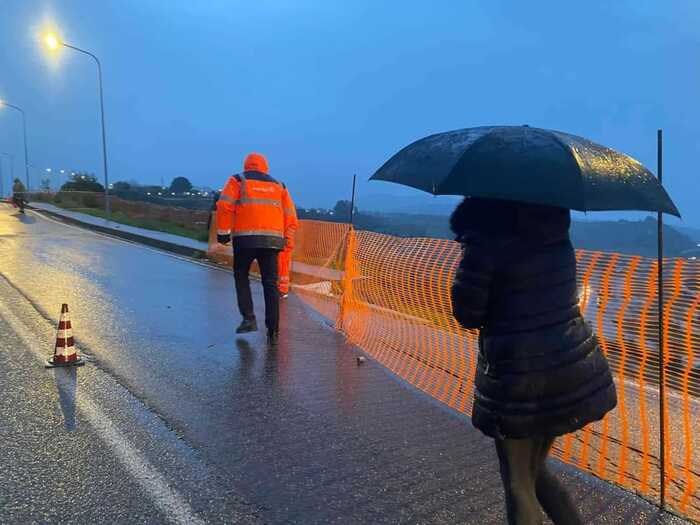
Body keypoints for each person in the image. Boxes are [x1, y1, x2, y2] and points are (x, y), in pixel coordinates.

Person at [449, 197, 616, 525]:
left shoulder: (484, 240)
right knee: (535, 471)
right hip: (570, 365)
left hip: (519, 377)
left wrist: (467, 264)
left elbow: (467, 313)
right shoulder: (554, 230)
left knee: (517, 483)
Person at [216, 153, 297, 345]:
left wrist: (223, 233)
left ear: (246, 166)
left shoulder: (238, 179)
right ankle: (273, 329)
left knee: (241, 275)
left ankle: (249, 319)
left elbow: (224, 205)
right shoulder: (279, 185)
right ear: (265, 167)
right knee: (271, 283)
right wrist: (288, 240)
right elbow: (290, 216)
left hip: (245, 240)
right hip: (272, 242)